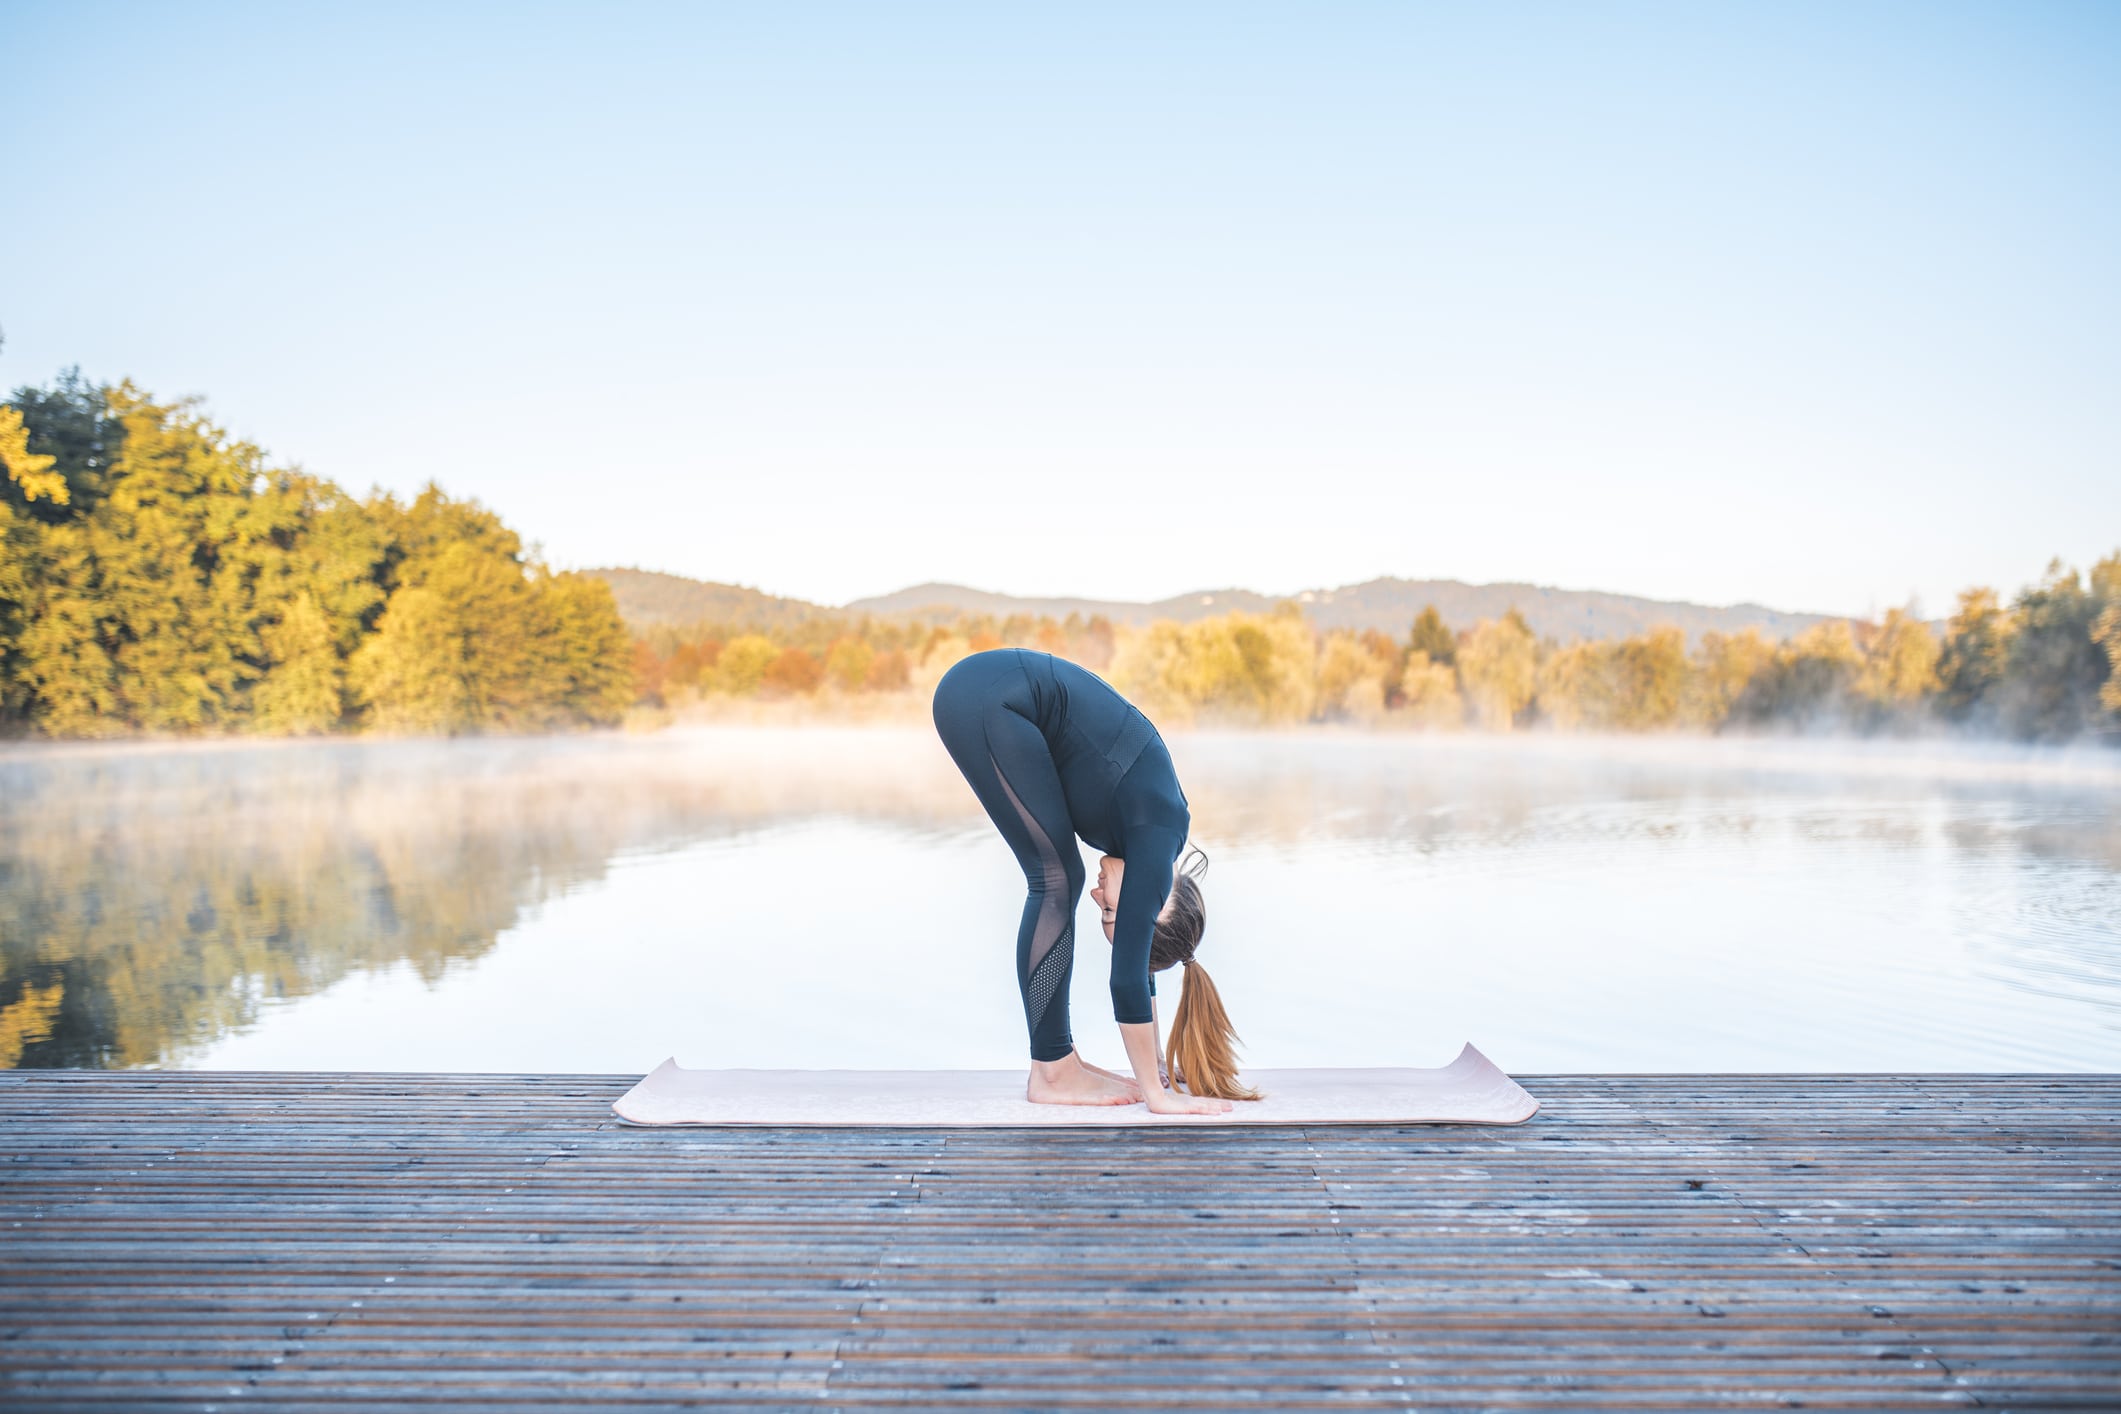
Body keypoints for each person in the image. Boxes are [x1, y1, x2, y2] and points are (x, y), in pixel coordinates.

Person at [931, 647, 1260, 1113]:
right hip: (990, 696)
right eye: (1110, 909)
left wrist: (1157, 1066)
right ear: (1159, 899)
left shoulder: (1150, 838)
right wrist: (1156, 1095)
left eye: (1104, 910)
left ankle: (1057, 1062)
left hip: (984, 692)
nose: (1097, 897)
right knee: (1057, 879)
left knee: (1061, 876)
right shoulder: (1156, 830)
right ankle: (1053, 1069)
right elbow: (1126, 976)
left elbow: (1137, 967)